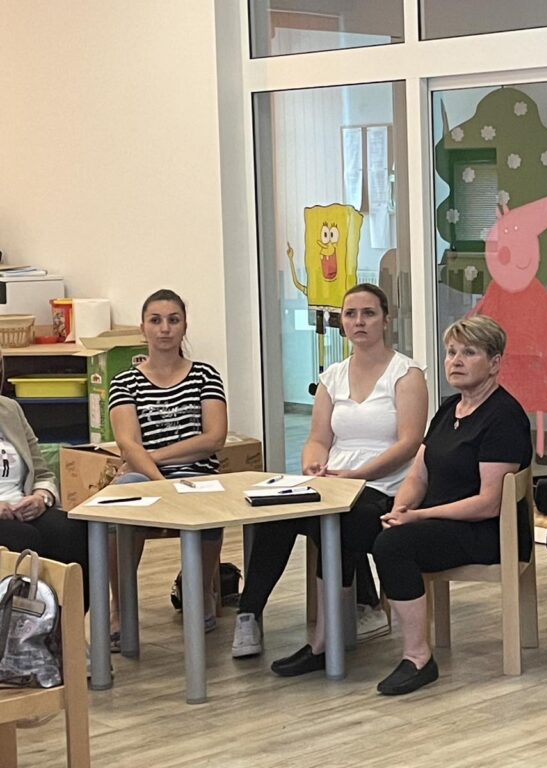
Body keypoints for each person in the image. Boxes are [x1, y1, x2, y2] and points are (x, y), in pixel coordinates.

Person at [231, 283, 428, 675]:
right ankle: (248, 614)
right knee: (275, 514)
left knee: (340, 523)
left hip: (385, 488)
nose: (359, 321)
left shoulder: (406, 374)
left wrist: (358, 474)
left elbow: (410, 443)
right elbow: (318, 439)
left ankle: (326, 640)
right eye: (351, 314)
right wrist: (312, 465)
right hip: (335, 484)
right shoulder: (332, 377)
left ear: (386, 320)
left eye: (369, 313)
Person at [371, 315, 532, 696]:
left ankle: (418, 657)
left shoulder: (504, 416)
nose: (455, 361)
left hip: (486, 533)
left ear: (494, 363)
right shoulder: (449, 408)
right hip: (439, 521)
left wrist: (417, 516)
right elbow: (419, 475)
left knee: (393, 545)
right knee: (356, 520)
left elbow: (489, 503)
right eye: (451, 352)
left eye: (469, 353)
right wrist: (401, 509)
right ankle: (334, 636)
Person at [108, 288, 227, 637]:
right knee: (120, 499)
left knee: (209, 498)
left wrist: (153, 458)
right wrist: (158, 479)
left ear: (184, 326)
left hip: (194, 474)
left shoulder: (205, 375)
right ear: (142, 327)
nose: (164, 329)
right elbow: (128, 443)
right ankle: (121, 606)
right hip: (145, 477)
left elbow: (213, 438)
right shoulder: (125, 382)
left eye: (173, 320)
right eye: (155, 320)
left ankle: (201, 593)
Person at [0, 349, 88, 609]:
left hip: (21, 505)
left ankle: (66, 625)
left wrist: (41, 497)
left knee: (71, 530)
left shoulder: (10, 409)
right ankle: (20, 628)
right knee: (24, 538)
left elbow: (42, 471)